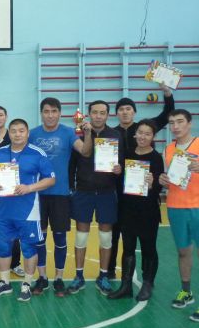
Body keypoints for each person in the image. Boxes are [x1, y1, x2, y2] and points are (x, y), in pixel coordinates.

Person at [108, 84, 175, 278]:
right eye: (121, 109)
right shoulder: (111, 134)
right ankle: (110, 271)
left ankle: (147, 281)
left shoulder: (145, 127)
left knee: (146, 241)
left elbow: (167, 114)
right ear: (117, 114)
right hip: (119, 194)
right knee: (115, 235)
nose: (125, 112)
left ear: (134, 112)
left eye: (128, 108)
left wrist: (167, 93)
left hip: (145, 197)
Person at [0, 119, 56, 302]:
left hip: (28, 211)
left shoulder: (37, 153)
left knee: (28, 248)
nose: (17, 134)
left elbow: (51, 179)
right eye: (14, 131)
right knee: (3, 247)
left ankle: (26, 284)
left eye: (21, 130)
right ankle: (4, 282)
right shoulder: (1, 152)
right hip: (4, 211)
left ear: (27, 133)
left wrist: (30, 187)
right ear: (9, 133)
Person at [28, 98, 92, 296]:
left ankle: (58, 278)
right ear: (41, 113)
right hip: (37, 194)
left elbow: (85, 152)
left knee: (59, 238)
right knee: (40, 238)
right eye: (46, 111)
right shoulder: (32, 134)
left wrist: (88, 133)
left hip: (60, 194)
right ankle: (42, 277)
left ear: (60, 113)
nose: (50, 115)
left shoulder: (69, 132)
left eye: (54, 111)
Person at [67, 101, 124, 296]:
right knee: (81, 235)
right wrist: (72, 188)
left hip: (107, 192)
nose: (98, 116)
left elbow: (121, 162)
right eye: (95, 112)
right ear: (89, 114)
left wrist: (119, 169)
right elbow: (72, 164)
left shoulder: (115, 135)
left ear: (108, 115)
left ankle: (103, 276)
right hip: (83, 192)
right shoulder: (79, 134)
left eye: (102, 113)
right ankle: (79, 276)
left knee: (106, 236)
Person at [108, 119, 163, 301]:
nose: (143, 137)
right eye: (140, 132)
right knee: (128, 248)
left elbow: (158, 188)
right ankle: (126, 286)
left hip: (148, 211)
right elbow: (120, 183)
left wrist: (153, 183)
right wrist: (117, 172)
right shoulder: (128, 155)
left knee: (148, 247)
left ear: (153, 137)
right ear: (135, 134)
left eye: (147, 134)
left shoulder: (156, 157)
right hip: (128, 210)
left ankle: (147, 284)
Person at [158, 109, 199, 322]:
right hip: (175, 206)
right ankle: (186, 291)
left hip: (198, 206)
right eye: (172, 122)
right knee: (183, 252)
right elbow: (170, 178)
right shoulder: (168, 149)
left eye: (180, 121)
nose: (175, 126)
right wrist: (162, 180)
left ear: (189, 123)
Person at [0, 105, 24, 278]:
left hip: (12, 193)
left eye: (1, 115)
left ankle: (15, 263)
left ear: (6, 117)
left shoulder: (15, 137)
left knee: (13, 228)